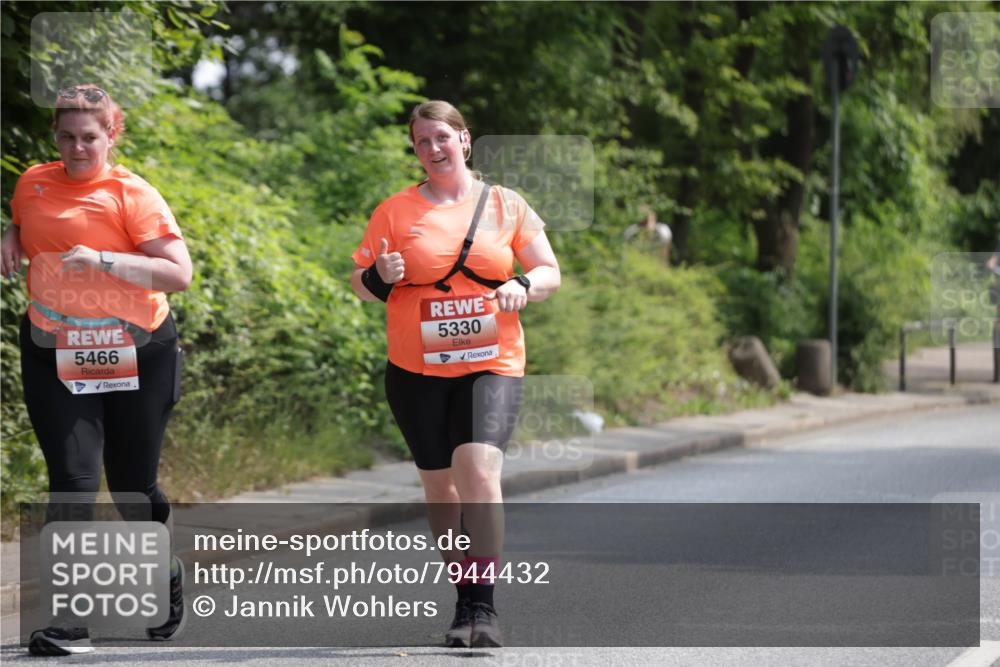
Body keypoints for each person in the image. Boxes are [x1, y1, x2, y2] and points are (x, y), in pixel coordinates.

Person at [350, 100, 560, 648]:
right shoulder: (394, 211)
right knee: (440, 488)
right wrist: (379, 273)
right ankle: (463, 600)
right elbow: (361, 282)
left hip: (492, 359)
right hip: (414, 366)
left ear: (465, 140)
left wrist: (523, 285)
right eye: (421, 142)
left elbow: (549, 270)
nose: (433, 149)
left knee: (478, 471)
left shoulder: (506, 204)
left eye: (441, 137)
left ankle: (484, 608)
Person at [1, 85, 192, 655]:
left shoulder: (133, 194)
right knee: (73, 478)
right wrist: (12, 236)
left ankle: (164, 571)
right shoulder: (33, 180)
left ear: (113, 133)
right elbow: (31, 219)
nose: (78, 147)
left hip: (137, 348)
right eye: (66, 136)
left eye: (90, 136)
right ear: (54, 137)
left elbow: (178, 273)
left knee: (131, 485)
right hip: (55, 347)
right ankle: (69, 621)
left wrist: (103, 259)